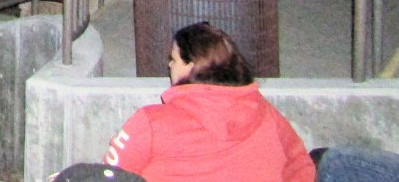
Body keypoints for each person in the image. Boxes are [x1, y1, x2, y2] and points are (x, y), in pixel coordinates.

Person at [103, 22, 315, 182]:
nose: (169, 65)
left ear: (191, 66)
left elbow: (107, 176)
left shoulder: (150, 122)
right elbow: (300, 162)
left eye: (173, 59)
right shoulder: (262, 109)